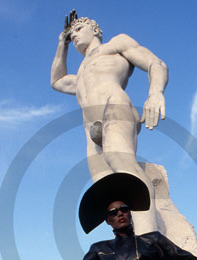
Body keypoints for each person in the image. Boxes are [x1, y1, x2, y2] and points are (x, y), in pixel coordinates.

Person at [51, 10, 168, 233]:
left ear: (95, 30)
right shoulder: (81, 71)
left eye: (78, 29)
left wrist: (155, 93)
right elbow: (57, 81)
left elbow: (156, 63)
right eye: (71, 33)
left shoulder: (115, 46)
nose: (73, 35)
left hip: (113, 106)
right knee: (105, 188)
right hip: (90, 129)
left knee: (124, 168)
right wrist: (61, 43)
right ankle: (125, 244)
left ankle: (148, 240)